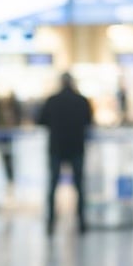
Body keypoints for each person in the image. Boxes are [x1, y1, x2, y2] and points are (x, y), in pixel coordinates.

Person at [38, 72, 93, 235]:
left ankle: (50, 221)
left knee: (53, 185)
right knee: (79, 186)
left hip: (56, 148)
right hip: (76, 147)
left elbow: (41, 120)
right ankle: (81, 221)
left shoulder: (52, 100)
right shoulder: (81, 101)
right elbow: (89, 120)